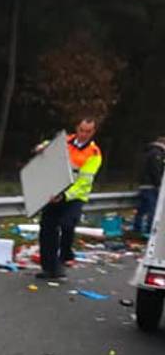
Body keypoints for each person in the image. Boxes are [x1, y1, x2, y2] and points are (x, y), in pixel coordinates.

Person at [36, 118, 101, 280]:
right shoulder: (65, 141)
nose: (83, 134)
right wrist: (41, 148)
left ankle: (64, 256)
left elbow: (84, 181)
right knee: (47, 229)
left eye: (88, 131)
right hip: (55, 190)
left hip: (75, 196)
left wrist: (64, 196)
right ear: (77, 128)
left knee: (67, 224)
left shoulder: (94, 154)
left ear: (93, 132)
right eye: (81, 130)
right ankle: (49, 267)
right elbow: (48, 145)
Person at [132, 136, 165, 236]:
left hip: (143, 185)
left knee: (141, 209)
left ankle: (137, 229)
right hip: (151, 186)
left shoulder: (147, 152)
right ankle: (149, 230)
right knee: (152, 209)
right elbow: (155, 170)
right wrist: (159, 184)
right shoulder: (157, 154)